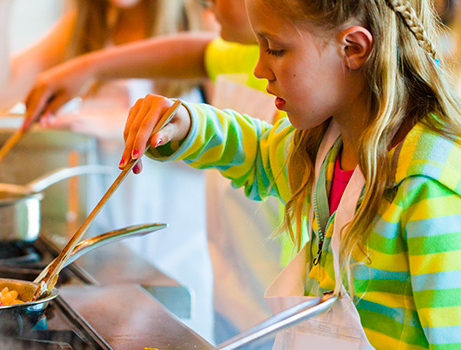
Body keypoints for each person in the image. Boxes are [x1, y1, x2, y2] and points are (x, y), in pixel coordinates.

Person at [120, 0, 461, 348]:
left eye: (276, 50)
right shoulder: (330, 145)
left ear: (354, 49)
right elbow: (259, 153)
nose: (259, 69)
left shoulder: (428, 185)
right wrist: (190, 125)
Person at [20, 0, 287, 343]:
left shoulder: (277, 67)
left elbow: (259, 151)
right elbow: (201, 54)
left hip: (278, 313)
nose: (208, 3)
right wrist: (90, 68)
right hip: (231, 300)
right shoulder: (249, 55)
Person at [0, 0, 215, 340]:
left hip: (174, 259)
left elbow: (233, 141)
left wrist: (118, 124)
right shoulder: (86, 28)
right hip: (103, 258)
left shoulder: (204, 27)